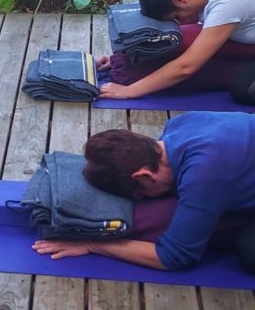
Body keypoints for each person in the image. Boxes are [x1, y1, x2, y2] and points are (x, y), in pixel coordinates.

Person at [33, 111, 255, 273]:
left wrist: (93, 244)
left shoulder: (205, 173)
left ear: (144, 175)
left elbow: (174, 257)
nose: (145, 199)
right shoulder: (178, 124)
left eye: (141, 195)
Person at [99, 0, 255, 99]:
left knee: (241, 86)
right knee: (177, 41)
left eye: (176, 18)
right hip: (243, 37)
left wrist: (129, 91)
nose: (180, 22)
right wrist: (128, 53)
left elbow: (186, 67)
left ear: (180, 0)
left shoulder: (227, 2)